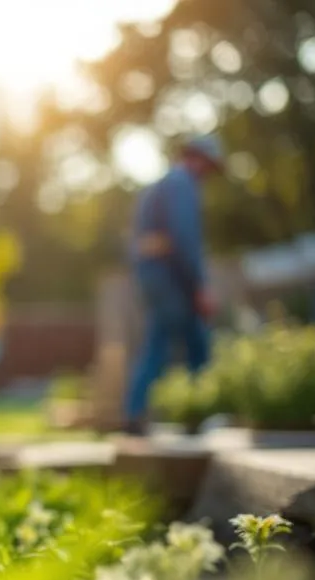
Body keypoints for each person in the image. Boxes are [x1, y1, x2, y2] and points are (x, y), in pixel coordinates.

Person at [122, 135, 226, 435]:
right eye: (209, 165)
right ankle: (200, 413)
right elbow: (185, 239)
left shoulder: (159, 186)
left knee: (159, 342)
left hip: (154, 278)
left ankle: (135, 412)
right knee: (196, 346)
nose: (208, 174)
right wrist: (199, 286)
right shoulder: (182, 185)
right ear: (199, 159)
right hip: (173, 280)